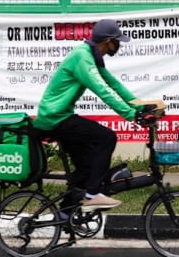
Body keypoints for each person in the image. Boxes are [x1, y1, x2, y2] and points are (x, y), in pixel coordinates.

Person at [33, 19, 153, 213]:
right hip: (55, 118)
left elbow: (114, 84)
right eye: (117, 41)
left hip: (59, 116)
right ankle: (92, 195)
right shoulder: (82, 57)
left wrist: (140, 106)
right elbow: (102, 90)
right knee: (106, 137)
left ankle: (65, 214)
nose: (119, 45)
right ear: (108, 41)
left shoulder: (91, 55)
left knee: (86, 166)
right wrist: (131, 115)